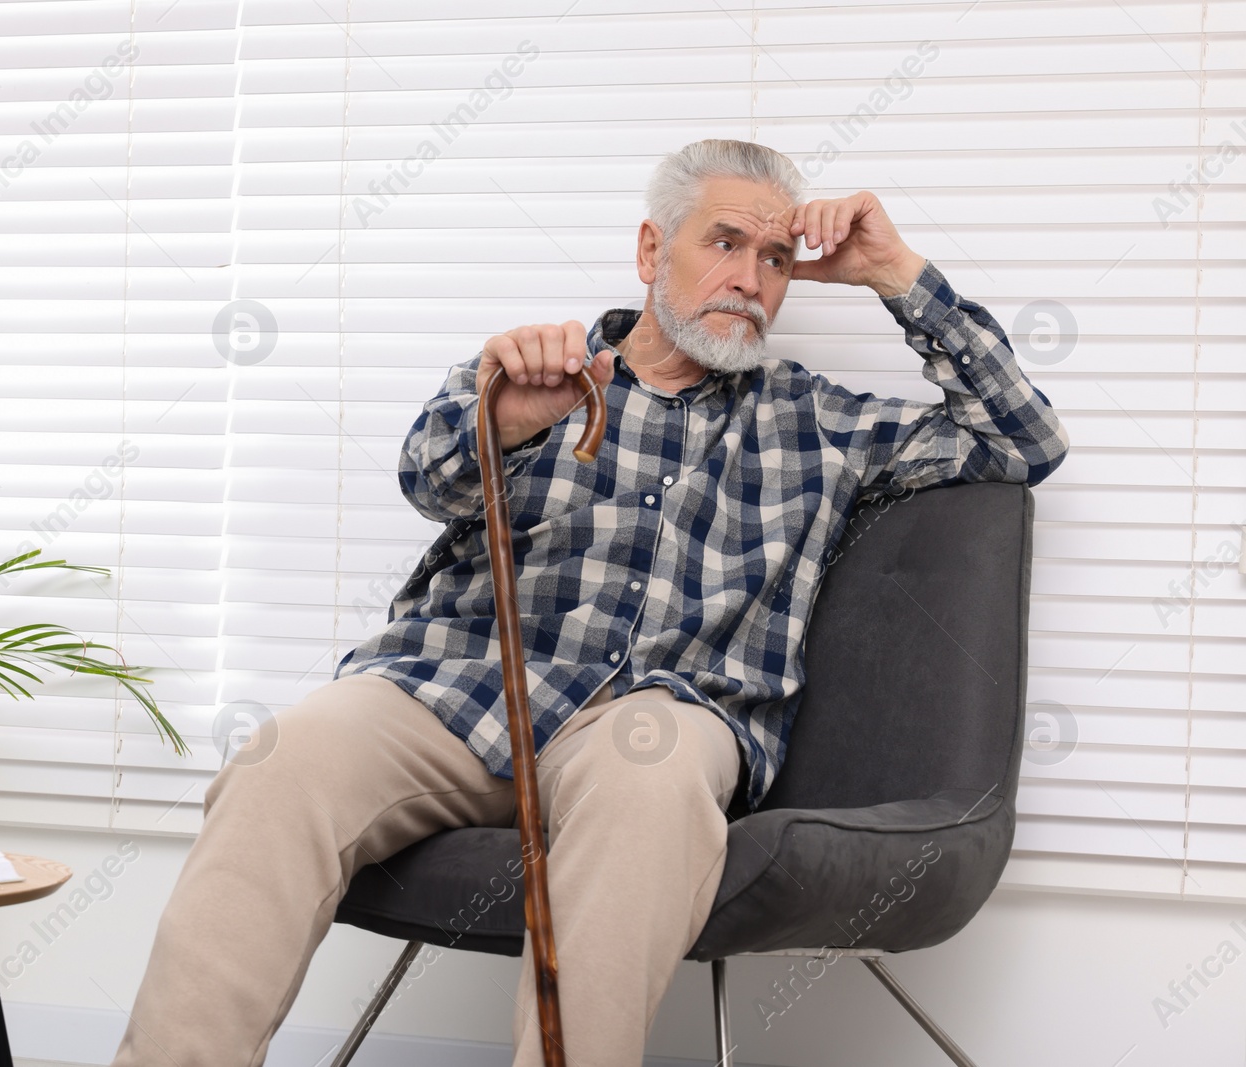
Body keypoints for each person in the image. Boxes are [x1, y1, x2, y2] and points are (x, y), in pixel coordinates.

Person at [110, 138, 1070, 1067]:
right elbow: (428, 477)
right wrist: (502, 414)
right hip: (459, 691)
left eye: (776, 257)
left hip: (663, 714)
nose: (751, 277)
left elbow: (1023, 439)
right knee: (287, 755)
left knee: (644, 773)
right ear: (653, 249)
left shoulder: (819, 422)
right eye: (725, 242)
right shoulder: (543, 373)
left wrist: (893, 270)